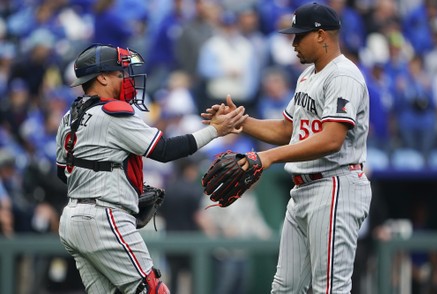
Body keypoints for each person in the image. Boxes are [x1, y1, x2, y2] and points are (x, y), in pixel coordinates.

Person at [202, 3, 372, 293]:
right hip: (304, 189)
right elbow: (286, 129)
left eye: (299, 35)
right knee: (285, 287)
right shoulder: (307, 76)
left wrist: (267, 157)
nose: (292, 43)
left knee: (329, 288)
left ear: (321, 35)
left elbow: (332, 139)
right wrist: (237, 121)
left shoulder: (343, 75)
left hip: (334, 185)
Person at [55, 43, 247, 294]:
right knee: (153, 290)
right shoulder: (112, 113)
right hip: (104, 217)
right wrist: (214, 131)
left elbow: (63, 173)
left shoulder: (70, 117)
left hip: (72, 220)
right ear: (101, 77)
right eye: (119, 73)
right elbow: (164, 150)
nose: (126, 79)